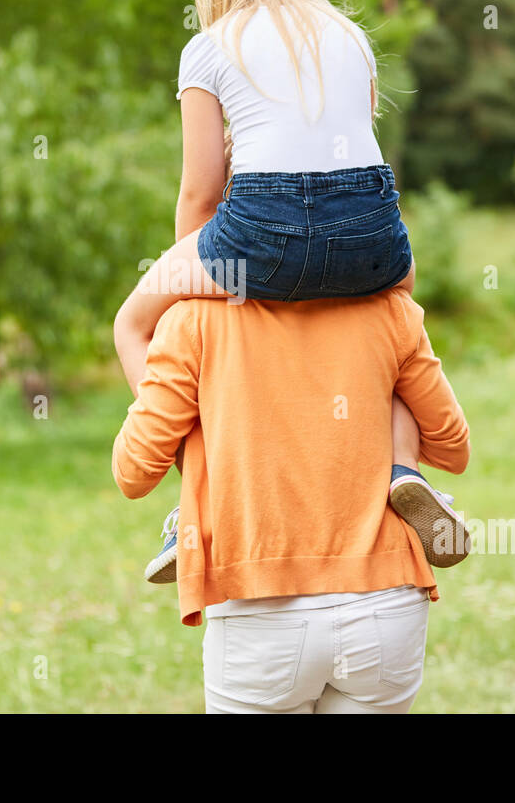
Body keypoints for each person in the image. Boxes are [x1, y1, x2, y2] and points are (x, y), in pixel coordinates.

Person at [111, 0, 467, 579]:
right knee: (397, 315)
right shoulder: (351, 37)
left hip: (262, 227)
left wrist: (192, 278)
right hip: (368, 221)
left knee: (134, 322)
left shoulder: (209, 48)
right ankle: (405, 469)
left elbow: (201, 188)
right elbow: (352, 142)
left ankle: (191, 504)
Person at [112, 287, 470, 713]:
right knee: (395, 382)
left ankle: (200, 508)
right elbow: (452, 447)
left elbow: (133, 474)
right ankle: (403, 471)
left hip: (259, 608)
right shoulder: (390, 309)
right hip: (384, 605)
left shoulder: (194, 319)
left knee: (203, 409)